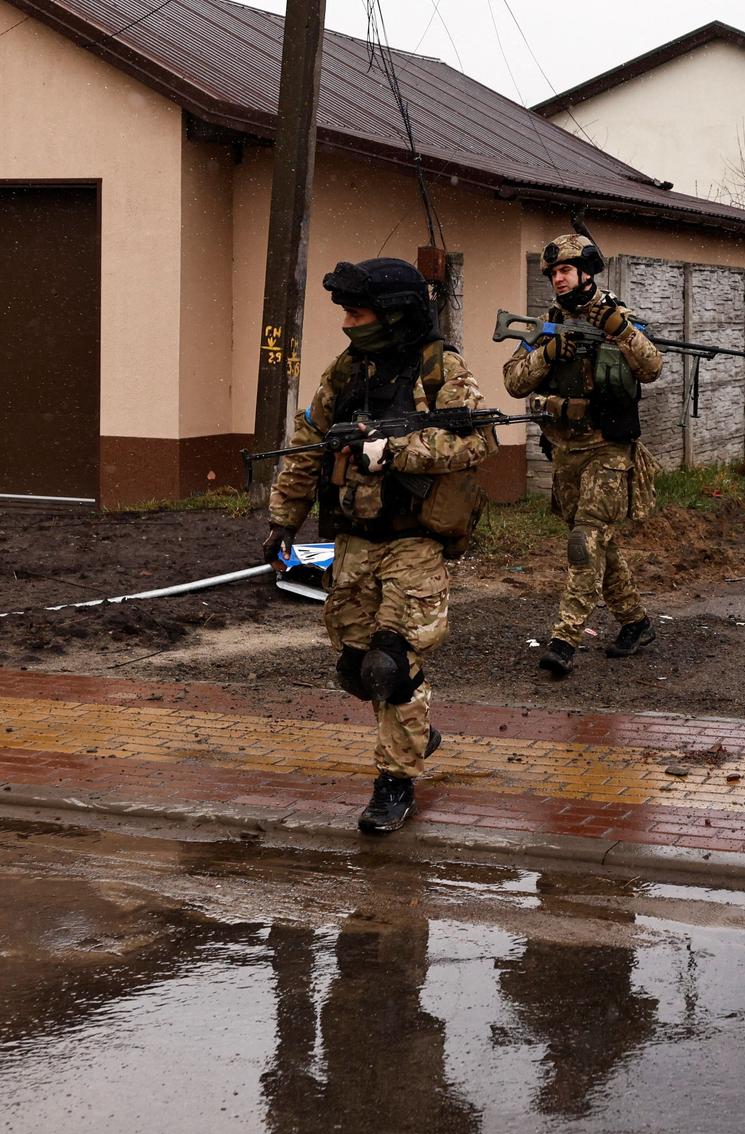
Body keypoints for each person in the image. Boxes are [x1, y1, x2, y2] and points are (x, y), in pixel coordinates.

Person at [263, 258, 495, 833]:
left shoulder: (439, 367)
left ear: (393, 314)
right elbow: (305, 446)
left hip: (414, 540)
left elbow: (478, 441)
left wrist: (397, 452)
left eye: (357, 312)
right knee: (354, 667)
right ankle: (416, 733)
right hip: (354, 539)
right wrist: (282, 521)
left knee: (390, 664)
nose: (346, 323)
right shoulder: (345, 372)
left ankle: (395, 782)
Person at [502, 234, 665, 679]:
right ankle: (636, 622)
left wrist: (620, 330)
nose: (558, 279)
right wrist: (550, 353)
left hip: (609, 446)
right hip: (566, 449)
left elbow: (652, 368)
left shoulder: (618, 318)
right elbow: (514, 381)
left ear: (586, 273)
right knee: (600, 542)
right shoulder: (546, 324)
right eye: (553, 273)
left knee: (585, 539)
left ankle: (564, 639)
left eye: (565, 271)